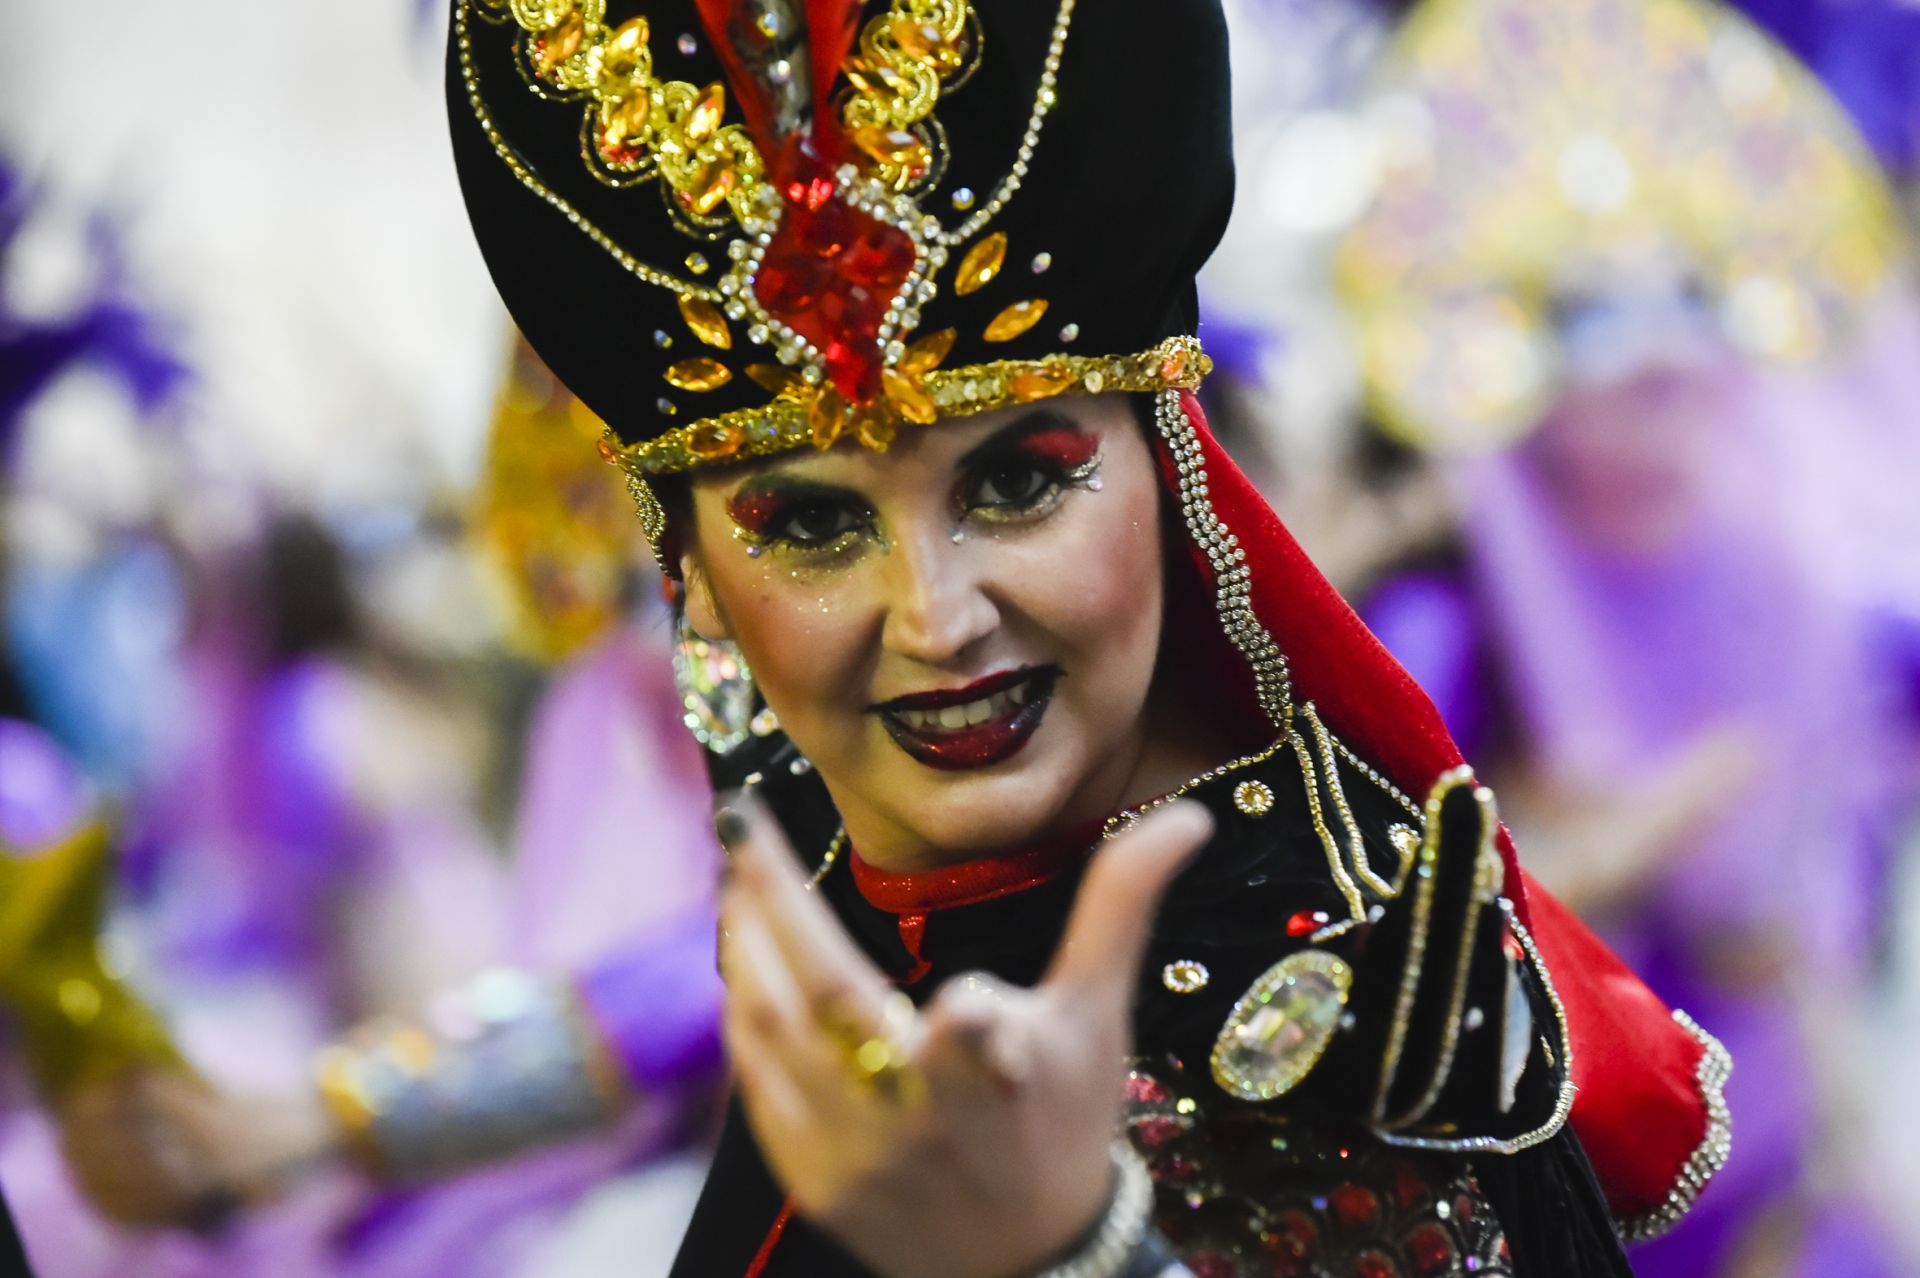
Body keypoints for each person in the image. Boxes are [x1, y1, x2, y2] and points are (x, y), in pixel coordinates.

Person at [446, 1, 1730, 1274]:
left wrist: (1073, 1251)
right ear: (697, 579)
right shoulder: (846, 898)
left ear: (1171, 479)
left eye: (1017, 484)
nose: (938, 619)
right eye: (814, 525)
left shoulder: (1318, 1003)